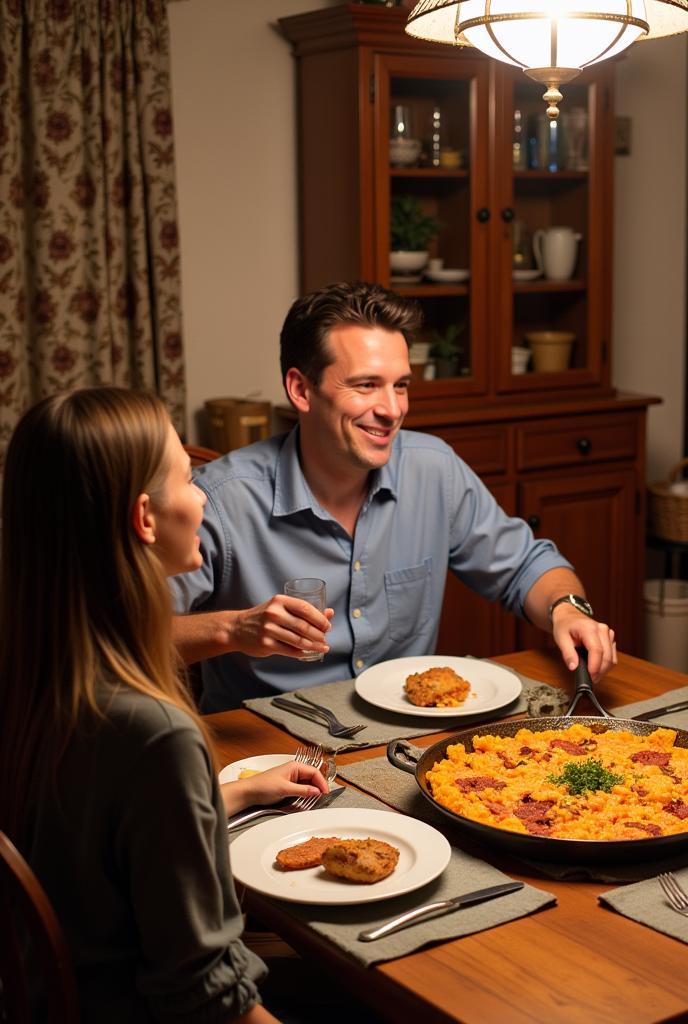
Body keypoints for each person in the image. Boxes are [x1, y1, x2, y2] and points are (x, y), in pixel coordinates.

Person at [0, 387, 328, 1022]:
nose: (204, 495)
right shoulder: (154, 733)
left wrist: (227, 794)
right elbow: (207, 999)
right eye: (187, 475)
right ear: (146, 518)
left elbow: (90, 838)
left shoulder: (40, 670)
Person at [171, 282, 616, 712]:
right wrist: (234, 628)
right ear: (301, 389)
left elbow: (525, 565)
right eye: (366, 385)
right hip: (267, 755)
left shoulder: (434, 469)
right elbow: (128, 639)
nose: (392, 409)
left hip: (405, 742)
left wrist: (567, 611)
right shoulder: (221, 499)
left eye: (400, 385)